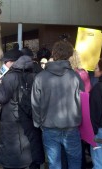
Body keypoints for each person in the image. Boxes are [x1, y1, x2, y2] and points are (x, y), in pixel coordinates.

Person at [31, 40, 84, 169]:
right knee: (75, 162)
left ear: (54, 54)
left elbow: (35, 104)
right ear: (70, 54)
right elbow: (83, 101)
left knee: (54, 164)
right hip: (71, 126)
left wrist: (38, 123)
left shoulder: (40, 77)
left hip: (49, 126)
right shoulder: (76, 77)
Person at [0, 48, 32, 169]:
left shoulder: (11, 76)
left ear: (12, 62)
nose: (3, 65)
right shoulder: (30, 73)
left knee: (13, 151)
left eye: (5, 62)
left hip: (12, 119)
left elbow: (1, 97)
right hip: (26, 117)